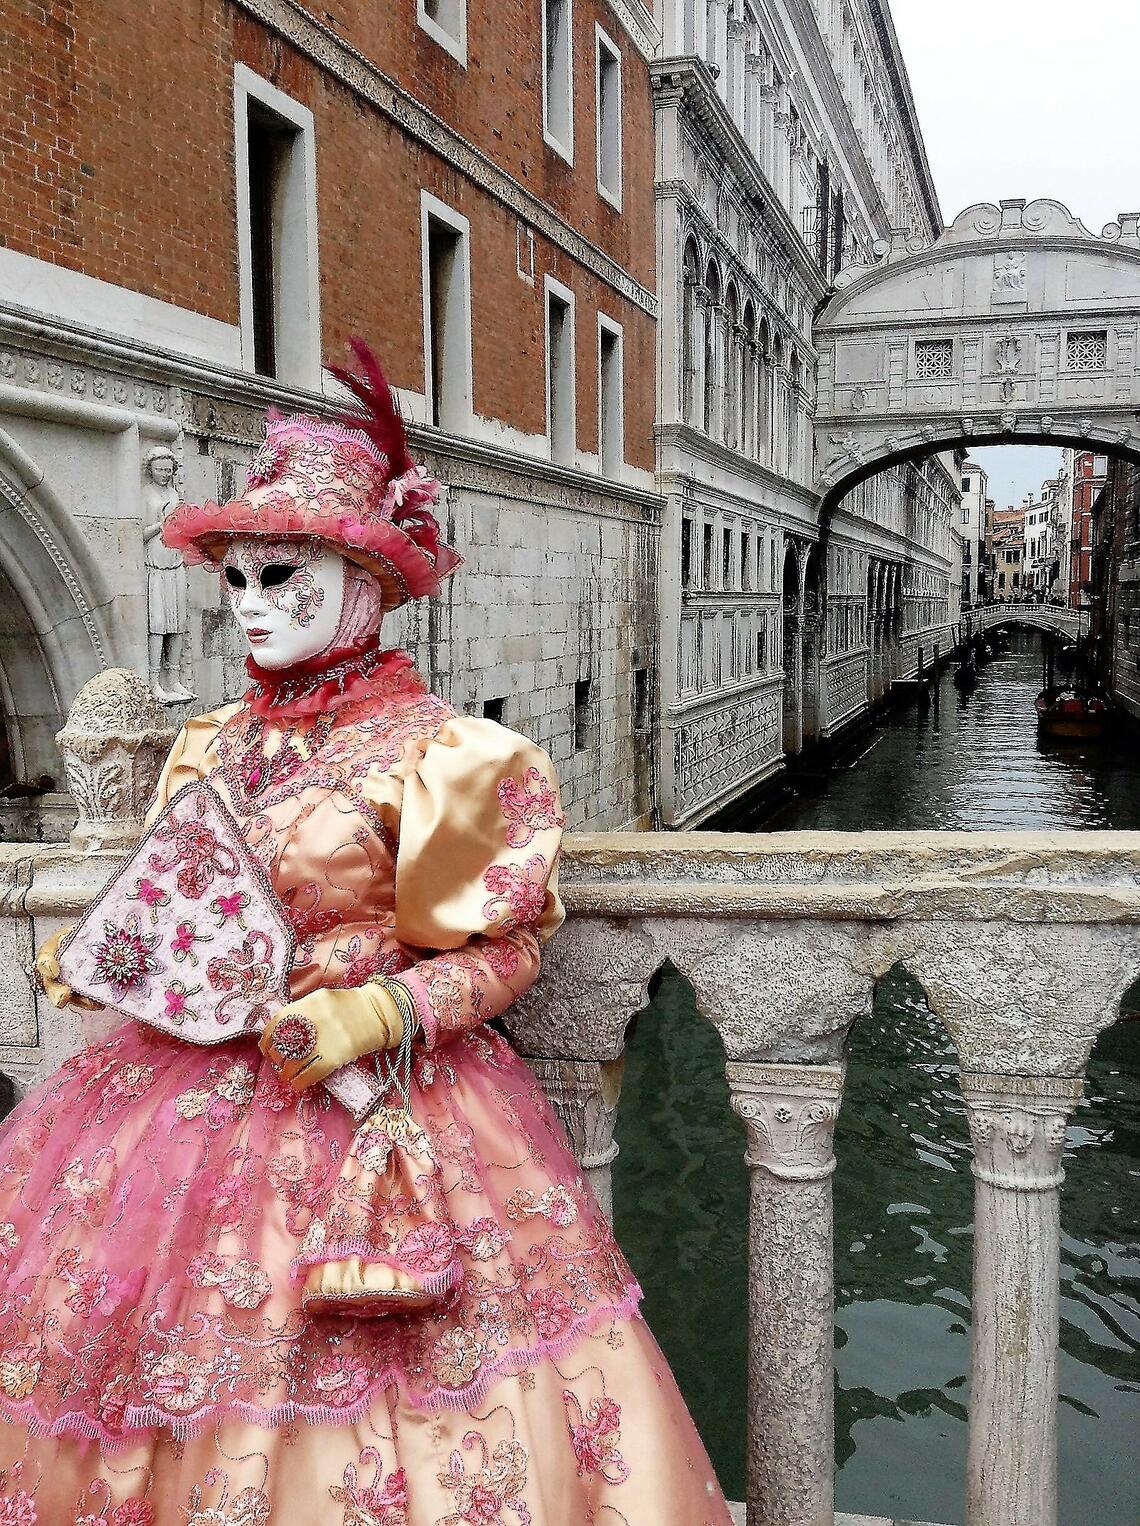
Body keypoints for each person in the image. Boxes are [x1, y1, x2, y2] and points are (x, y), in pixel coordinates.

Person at [0, 342, 733, 1524]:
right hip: (175, 1113)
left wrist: (378, 1009)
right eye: (234, 579)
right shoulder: (204, 744)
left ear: (364, 581)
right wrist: (114, 952)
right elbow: (193, 901)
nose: (253, 606)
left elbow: (500, 951)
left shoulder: (452, 756)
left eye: (282, 574)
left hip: (383, 1106)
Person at [142, 445, 195, 704]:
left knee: (177, 625)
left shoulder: (175, 494)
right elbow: (138, 533)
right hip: (155, 566)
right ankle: (154, 682)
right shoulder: (146, 495)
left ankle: (173, 678)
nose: (164, 474)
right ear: (150, 470)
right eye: (159, 469)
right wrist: (162, 523)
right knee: (158, 625)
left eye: (167, 470)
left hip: (175, 564)